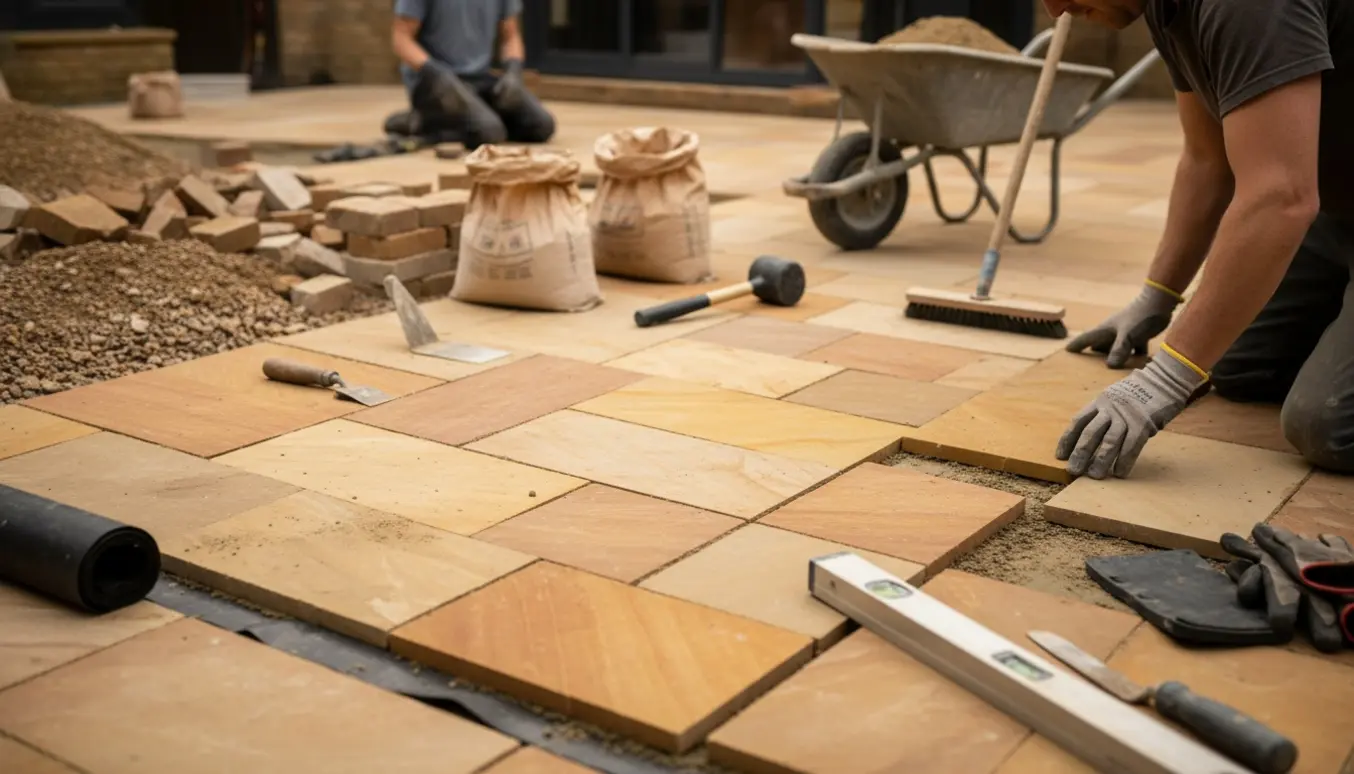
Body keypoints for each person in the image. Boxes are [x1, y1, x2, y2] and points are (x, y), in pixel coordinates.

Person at [1046, 0, 1354, 480]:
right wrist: (1157, 295)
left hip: (1314, 206)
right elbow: (1206, 159)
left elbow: (1281, 198)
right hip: (1337, 215)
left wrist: (1165, 379)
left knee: (1329, 425)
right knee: (1228, 361)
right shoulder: (1164, 9)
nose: (1053, 9)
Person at [388, 0, 556, 149]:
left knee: (541, 126)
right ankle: (420, 121)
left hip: (479, 78)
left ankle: (475, 118)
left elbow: (511, 36)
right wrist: (436, 73)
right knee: (488, 134)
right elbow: (401, 38)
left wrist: (513, 72)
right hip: (434, 82)